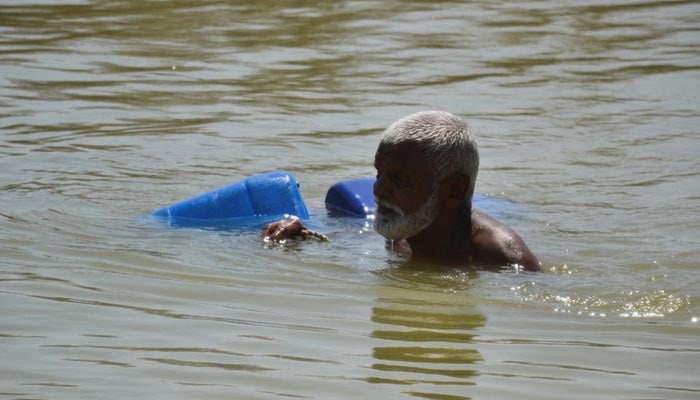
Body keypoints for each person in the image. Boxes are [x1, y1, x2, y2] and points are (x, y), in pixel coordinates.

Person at [262, 111, 541, 272]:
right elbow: (359, 237)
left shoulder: (504, 260)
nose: (378, 189)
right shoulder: (406, 226)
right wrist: (302, 235)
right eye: (379, 173)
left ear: (454, 190)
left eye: (399, 180)